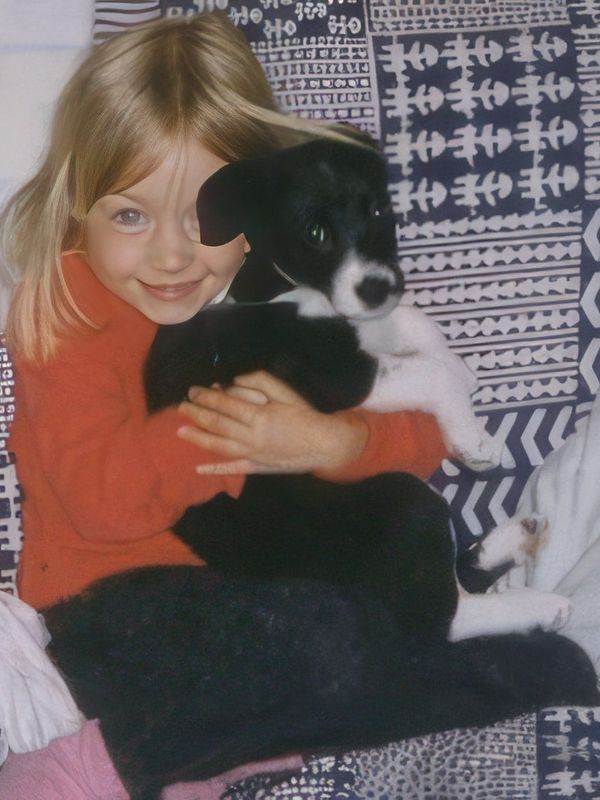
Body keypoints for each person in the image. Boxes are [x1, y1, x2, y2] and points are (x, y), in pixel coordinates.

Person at [0, 11, 448, 798]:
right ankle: (68, 770)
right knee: (325, 644)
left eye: (206, 217)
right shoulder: (67, 309)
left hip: (243, 608)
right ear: (78, 211)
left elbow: (424, 433)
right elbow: (103, 499)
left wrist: (333, 442)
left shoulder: (283, 294)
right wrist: (241, 429)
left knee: (382, 636)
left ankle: (211, 755)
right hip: (106, 616)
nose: (172, 254)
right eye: (131, 214)